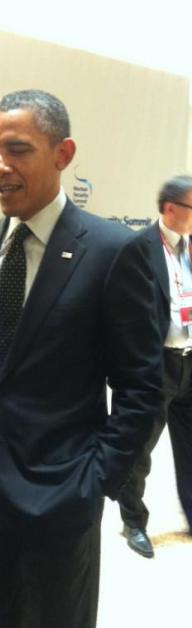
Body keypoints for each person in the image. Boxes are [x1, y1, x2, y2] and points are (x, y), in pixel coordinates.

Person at [0, 89, 162, 628]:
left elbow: (143, 387)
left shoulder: (112, 250)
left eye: (17, 149)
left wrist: (93, 483)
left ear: (63, 153)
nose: (0, 167)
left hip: (61, 496)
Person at [118, 174, 192, 558]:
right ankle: (133, 521)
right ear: (171, 209)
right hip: (156, 364)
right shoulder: (138, 248)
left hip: (190, 360)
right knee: (139, 449)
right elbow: (127, 317)